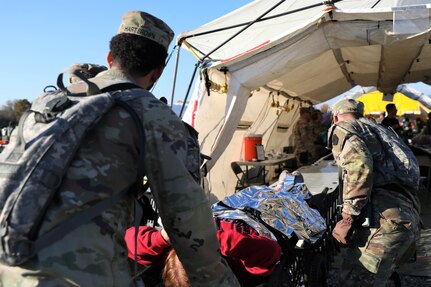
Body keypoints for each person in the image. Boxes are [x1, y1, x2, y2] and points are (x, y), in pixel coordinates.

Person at [0, 11, 239, 287]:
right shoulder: (155, 117)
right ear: (157, 73)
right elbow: (187, 220)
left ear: (109, 59)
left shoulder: (54, 104)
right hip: (80, 274)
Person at [327, 99, 421, 286]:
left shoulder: (343, 127)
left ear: (335, 117)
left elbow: (359, 166)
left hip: (385, 222)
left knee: (355, 281)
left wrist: (347, 218)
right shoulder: (378, 129)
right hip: (405, 216)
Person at [124, 218, 281, 287]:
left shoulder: (166, 252)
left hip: (224, 214)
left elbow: (128, 240)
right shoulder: (243, 272)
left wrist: (163, 238)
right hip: (255, 220)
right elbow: (271, 251)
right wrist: (214, 237)